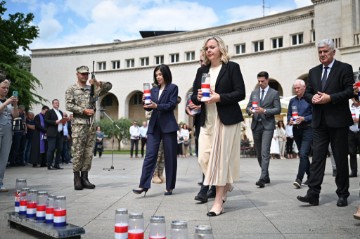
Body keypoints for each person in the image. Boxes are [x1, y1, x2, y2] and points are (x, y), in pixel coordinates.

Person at [191, 36, 245, 216]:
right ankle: (226, 183)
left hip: (226, 120)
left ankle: (218, 202)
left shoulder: (231, 67)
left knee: (220, 163)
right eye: (206, 48)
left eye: (212, 47)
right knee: (203, 159)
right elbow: (193, 96)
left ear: (220, 48)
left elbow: (240, 93)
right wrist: (197, 96)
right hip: (207, 121)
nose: (209, 50)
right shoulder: (202, 70)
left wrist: (219, 97)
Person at [297, 39, 354, 207]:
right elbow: (307, 93)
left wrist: (330, 98)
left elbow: (349, 91)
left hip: (338, 121)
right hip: (319, 122)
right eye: (320, 52)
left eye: (325, 51)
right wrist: (312, 97)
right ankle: (313, 194)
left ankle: (343, 194)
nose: (322, 55)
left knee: (340, 159)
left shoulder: (344, 68)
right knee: (317, 159)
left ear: (333, 52)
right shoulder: (313, 72)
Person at [133, 64, 179, 196]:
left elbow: (171, 105)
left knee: (170, 157)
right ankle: (143, 185)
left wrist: (156, 105)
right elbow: (148, 108)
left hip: (168, 126)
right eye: (156, 75)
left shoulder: (173, 88)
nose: (158, 77)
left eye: (160, 74)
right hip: (154, 126)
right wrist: (145, 103)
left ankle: (169, 186)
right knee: (150, 155)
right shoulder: (153, 90)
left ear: (166, 74)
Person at [65, 65, 112, 190]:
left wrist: (96, 82)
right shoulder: (72, 89)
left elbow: (108, 87)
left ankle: (85, 177)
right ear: (77, 74)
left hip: (91, 125)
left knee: (88, 152)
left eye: (86, 74)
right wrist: (83, 110)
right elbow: (68, 105)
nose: (85, 76)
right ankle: (77, 178)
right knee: (78, 151)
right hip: (78, 125)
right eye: (82, 74)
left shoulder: (92, 88)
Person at [246, 71, 281, 188]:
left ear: (267, 80)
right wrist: (250, 110)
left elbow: (277, 109)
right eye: (259, 81)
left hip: (268, 126)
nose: (260, 83)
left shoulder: (274, 93)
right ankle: (266, 175)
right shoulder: (254, 92)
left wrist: (264, 111)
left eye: (262, 81)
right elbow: (248, 107)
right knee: (259, 153)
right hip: (256, 125)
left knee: (265, 152)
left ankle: (262, 178)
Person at [287, 79, 313, 189]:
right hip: (296, 130)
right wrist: (290, 120)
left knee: (302, 154)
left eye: (298, 88)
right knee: (304, 155)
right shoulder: (292, 101)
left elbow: (315, 114)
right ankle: (312, 177)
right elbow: (289, 115)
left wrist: (304, 118)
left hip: (308, 129)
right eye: (295, 88)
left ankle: (299, 178)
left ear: (304, 87)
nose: (296, 90)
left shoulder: (309, 99)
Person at [0, 78, 19, 192]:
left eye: (7, 88)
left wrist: (15, 104)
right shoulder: (6, 102)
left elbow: (15, 115)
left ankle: (0, 181)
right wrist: (6, 103)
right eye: (3, 87)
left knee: (4, 157)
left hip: (7, 130)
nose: (6, 90)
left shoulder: (8, 101)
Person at [45, 99, 65, 170]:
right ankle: (49, 165)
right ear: (52, 104)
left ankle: (57, 164)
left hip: (59, 133)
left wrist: (64, 121)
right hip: (52, 133)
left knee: (60, 149)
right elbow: (46, 120)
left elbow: (61, 121)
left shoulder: (60, 112)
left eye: (58, 103)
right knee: (51, 149)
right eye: (55, 103)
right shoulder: (49, 112)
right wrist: (54, 122)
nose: (57, 104)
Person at [348, 98, 360, 177]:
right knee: (352, 152)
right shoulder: (349, 108)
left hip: (359, 131)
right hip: (351, 131)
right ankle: (353, 171)